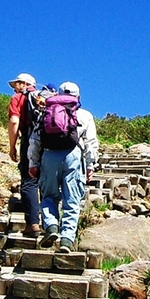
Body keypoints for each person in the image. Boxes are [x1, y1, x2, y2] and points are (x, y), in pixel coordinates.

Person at [27, 81, 99, 253]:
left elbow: (34, 140)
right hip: (73, 155)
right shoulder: (85, 115)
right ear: (78, 96)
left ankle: (51, 226)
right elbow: (92, 143)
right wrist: (90, 166)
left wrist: (33, 163)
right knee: (72, 199)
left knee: (48, 195)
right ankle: (66, 240)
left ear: (57, 95)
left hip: (49, 156)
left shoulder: (46, 112)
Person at [7, 73, 42, 237]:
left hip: (29, 139)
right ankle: (52, 225)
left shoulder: (17, 99)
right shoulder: (43, 97)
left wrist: (12, 146)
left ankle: (33, 224)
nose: (14, 88)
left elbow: (14, 121)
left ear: (23, 84)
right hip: (48, 141)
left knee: (29, 181)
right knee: (46, 182)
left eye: (16, 84)